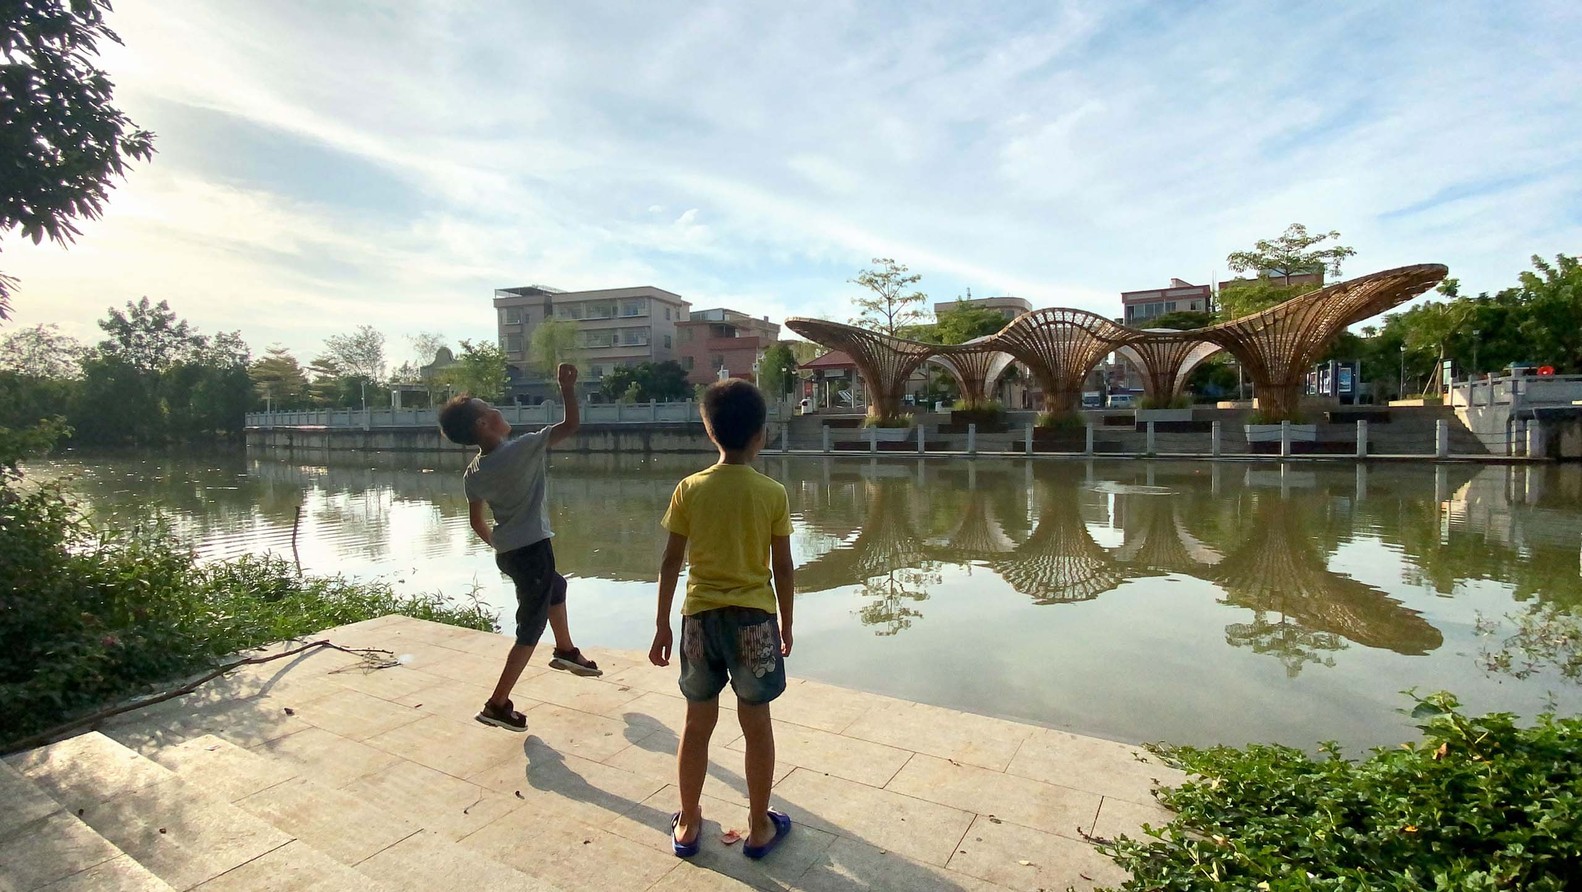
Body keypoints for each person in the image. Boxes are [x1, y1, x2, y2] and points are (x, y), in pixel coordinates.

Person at [649, 379, 796, 860]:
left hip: (699, 619)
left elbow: (671, 562)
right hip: (755, 620)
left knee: (697, 722)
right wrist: (787, 624)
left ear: (709, 430)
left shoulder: (690, 489)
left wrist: (662, 624)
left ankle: (689, 822)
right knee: (757, 724)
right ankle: (758, 827)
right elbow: (782, 566)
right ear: (761, 434)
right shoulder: (771, 493)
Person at [437, 363, 601, 733]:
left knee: (556, 587)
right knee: (530, 628)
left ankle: (566, 651)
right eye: (489, 409)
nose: (498, 411)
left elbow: (477, 522)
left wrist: (501, 545)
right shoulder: (523, 449)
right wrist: (567, 388)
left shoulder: (474, 473)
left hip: (509, 553)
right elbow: (570, 426)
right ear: (483, 424)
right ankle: (497, 704)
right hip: (532, 550)